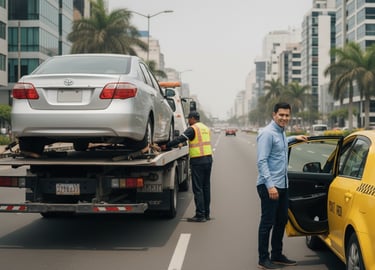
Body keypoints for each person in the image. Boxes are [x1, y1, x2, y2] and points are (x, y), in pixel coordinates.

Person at [256, 102, 307, 269]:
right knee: (267, 223)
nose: (284, 118)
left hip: (283, 184)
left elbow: (281, 144)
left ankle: (276, 255)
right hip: (269, 186)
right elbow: (262, 161)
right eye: (281, 115)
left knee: (281, 221)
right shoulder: (267, 133)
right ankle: (263, 259)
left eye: (287, 115)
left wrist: (295, 138)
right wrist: (270, 186)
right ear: (274, 115)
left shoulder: (281, 133)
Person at [160, 111, 213, 222]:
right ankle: (206, 214)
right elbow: (195, 140)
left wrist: (166, 146)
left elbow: (180, 139)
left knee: (198, 189)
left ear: (193, 118)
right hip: (208, 159)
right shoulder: (205, 128)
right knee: (206, 188)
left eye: (189, 119)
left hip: (198, 161)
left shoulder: (193, 128)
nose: (188, 121)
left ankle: (200, 215)